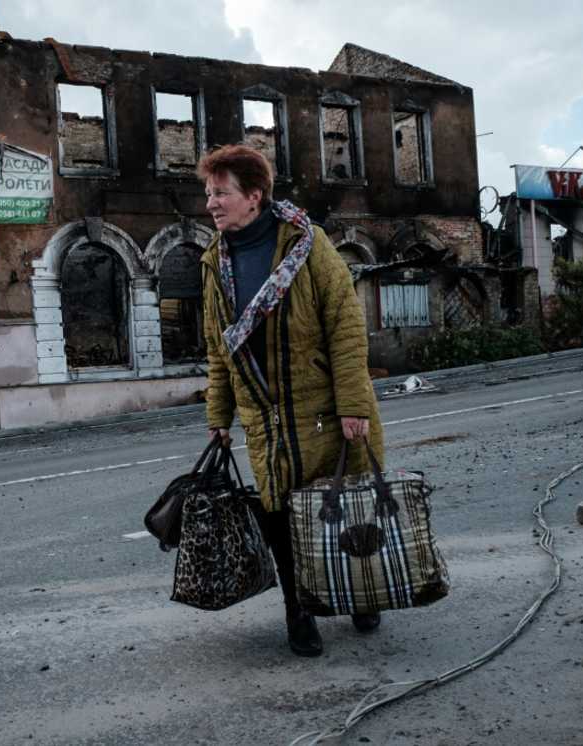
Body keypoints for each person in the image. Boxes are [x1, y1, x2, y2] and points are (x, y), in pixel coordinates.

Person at [198, 144, 386, 657]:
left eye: (221, 193)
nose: (211, 203)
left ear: (254, 196)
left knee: (345, 510)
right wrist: (219, 416)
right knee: (281, 520)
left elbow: (345, 327)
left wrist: (353, 405)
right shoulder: (214, 261)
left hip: (326, 410)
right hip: (266, 422)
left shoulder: (308, 244)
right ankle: (298, 612)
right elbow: (219, 347)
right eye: (209, 193)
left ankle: (362, 592)